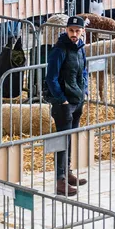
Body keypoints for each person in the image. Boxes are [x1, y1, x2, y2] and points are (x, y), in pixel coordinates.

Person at [45, 16, 88, 196]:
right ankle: (60, 180)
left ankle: (67, 172)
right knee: (62, 141)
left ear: (82, 32)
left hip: (76, 100)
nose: (74, 34)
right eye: (71, 30)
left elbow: (83, 70)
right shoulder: (59, 50)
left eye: (77, 31)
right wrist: (61, 98)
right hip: (64, 103)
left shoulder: (80, 49)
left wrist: (84, 90)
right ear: (66, 30)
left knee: (69, 139)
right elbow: (51, 77)